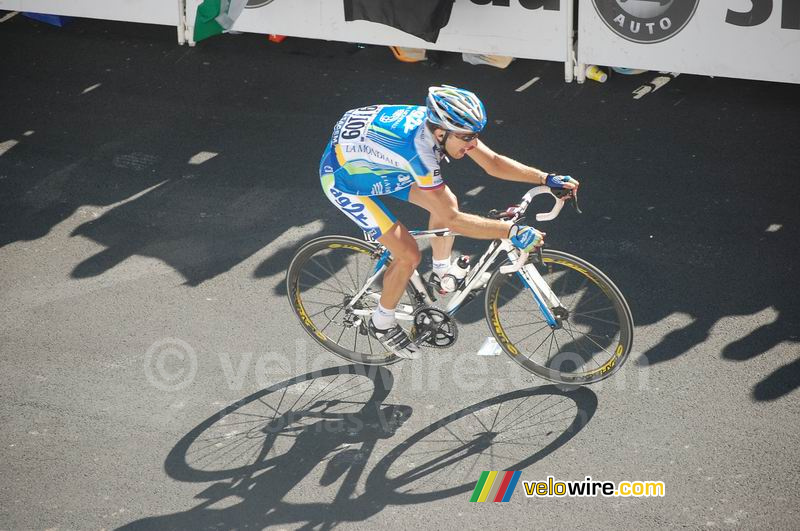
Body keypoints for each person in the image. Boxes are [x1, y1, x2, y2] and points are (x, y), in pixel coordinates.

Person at [319, 85, 579, 359]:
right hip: (345, 180)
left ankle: (442, 272)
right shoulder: (418, 151)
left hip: (383, 165)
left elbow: (493, 163)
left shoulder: (443, 125)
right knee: (408, 253)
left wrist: (545, 178)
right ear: (440, 132)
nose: (472, 143)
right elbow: (453, 221)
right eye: (466, 137)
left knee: (447, 202)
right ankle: (381, 322)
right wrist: (511, 230)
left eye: (475, 135)